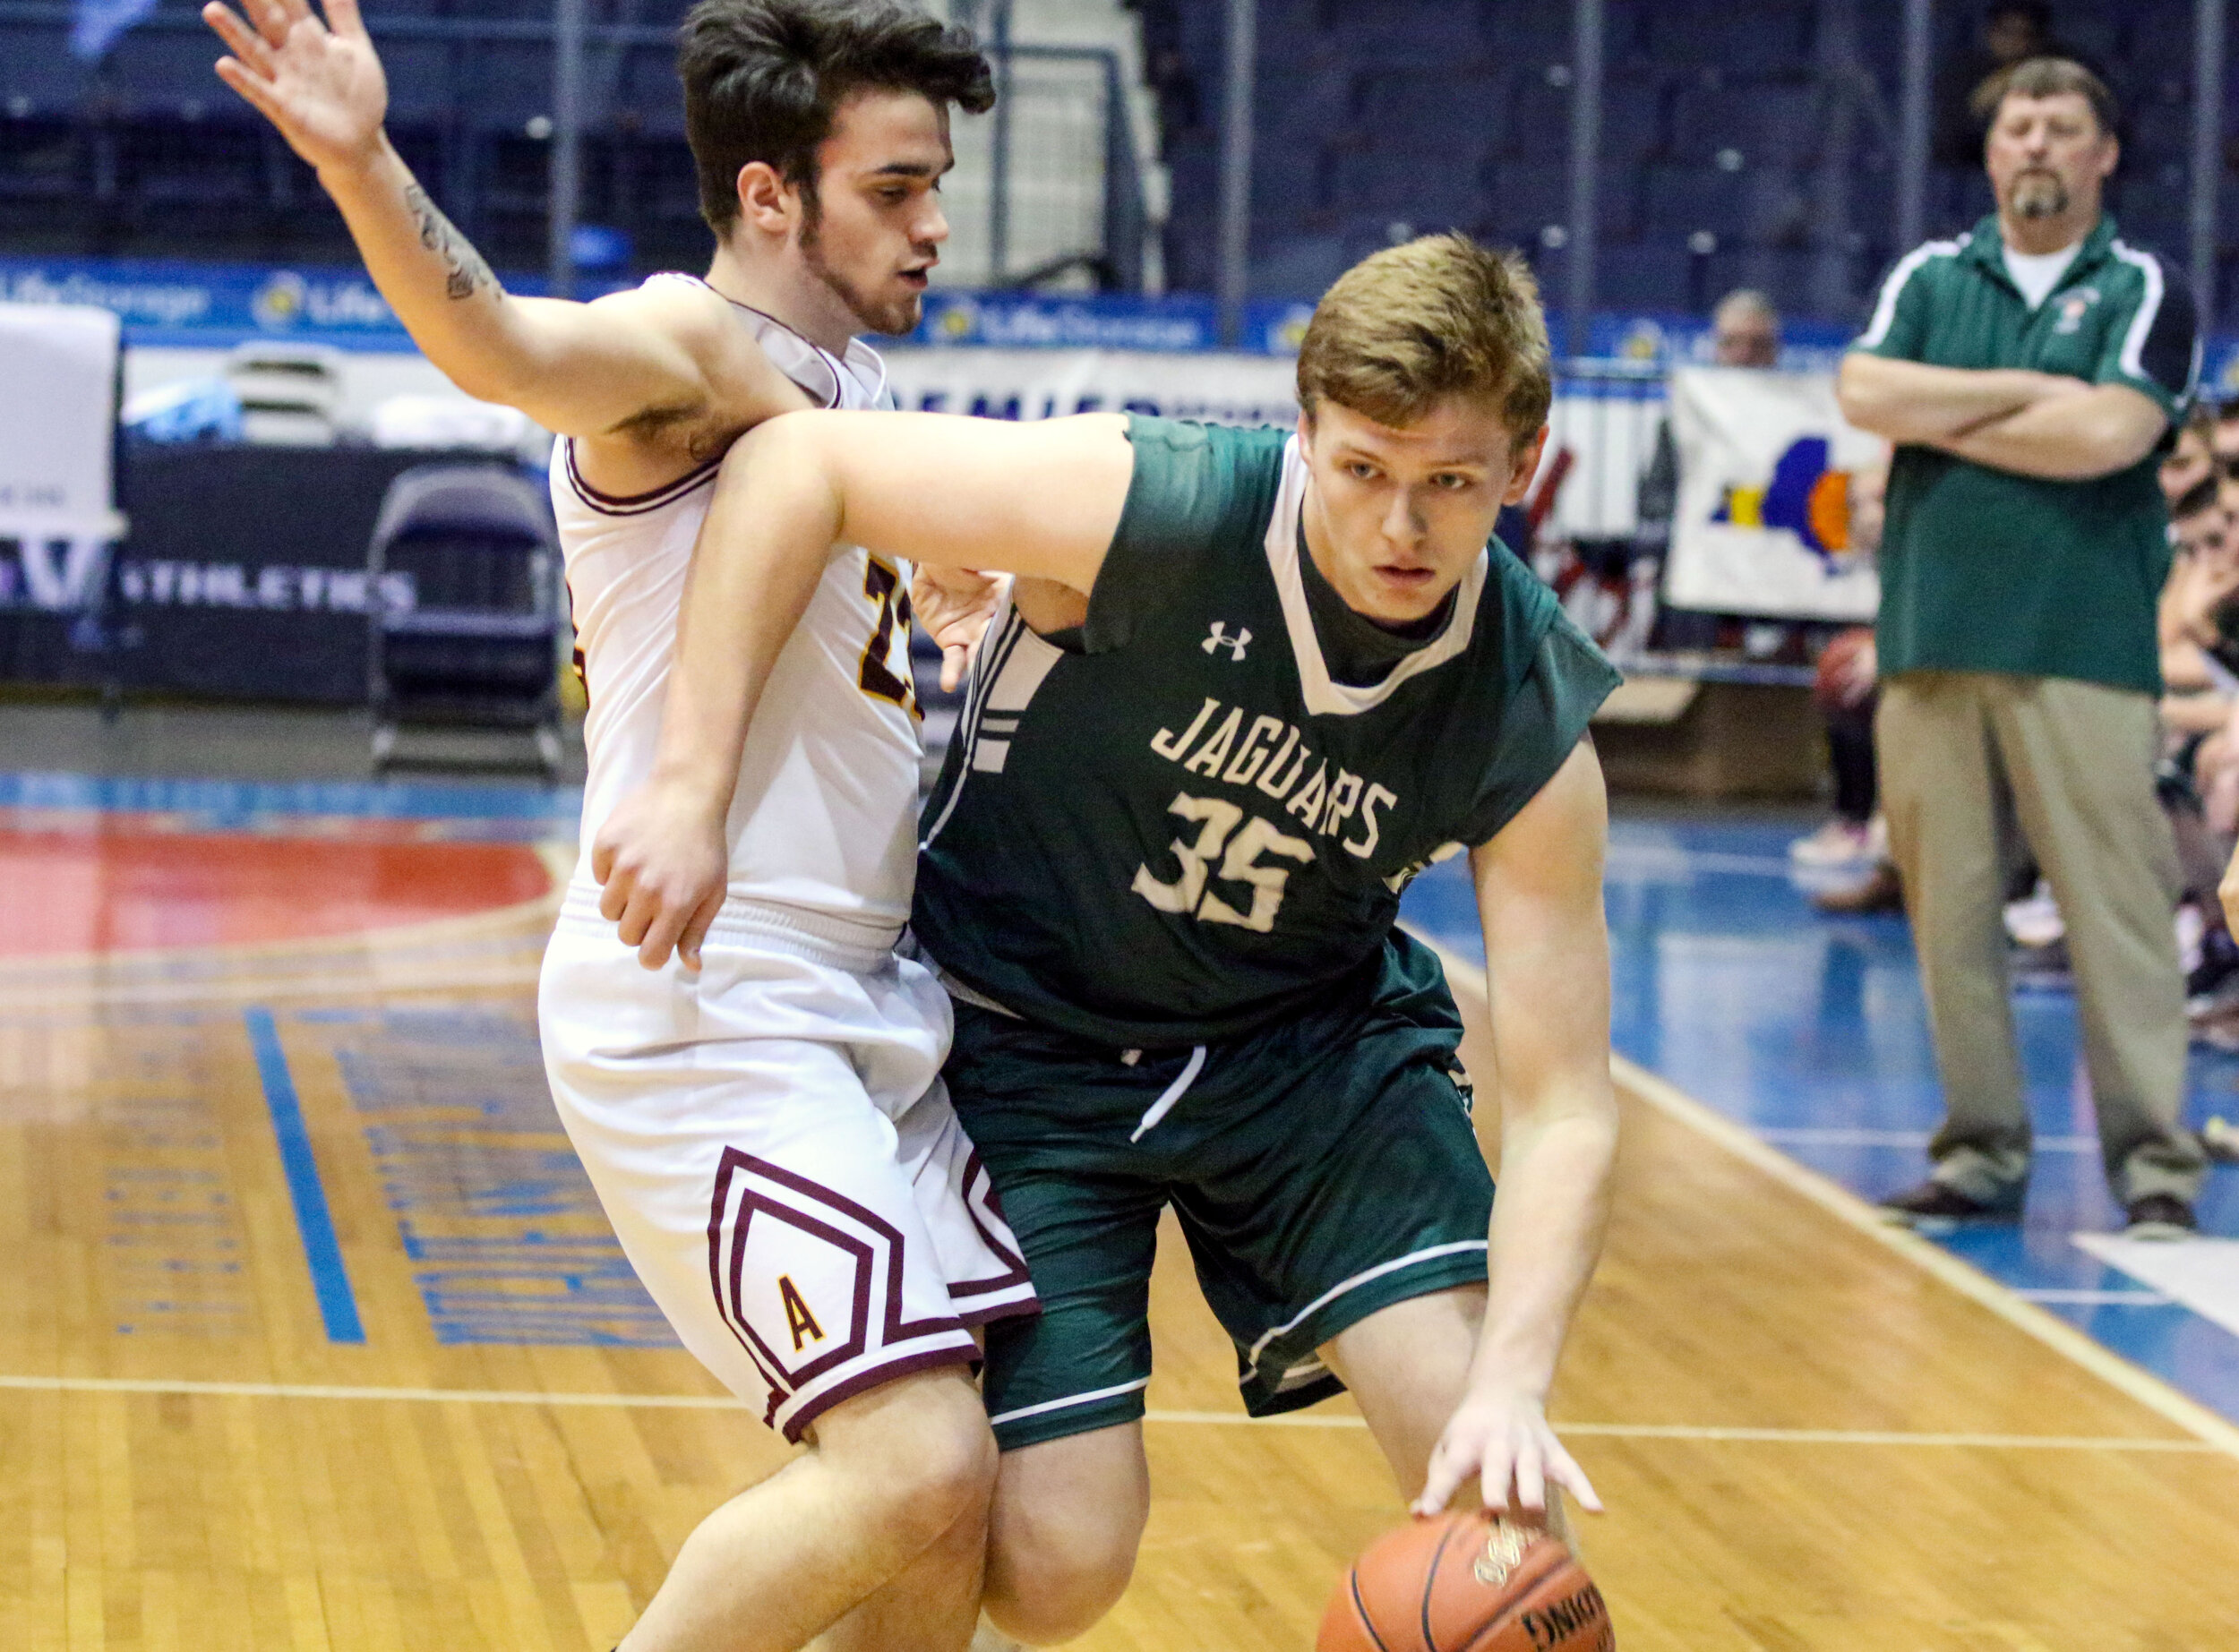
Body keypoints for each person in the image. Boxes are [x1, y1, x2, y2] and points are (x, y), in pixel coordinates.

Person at [595, 235, 1623, 1645]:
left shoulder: (1524, 709)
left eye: (1451, 483)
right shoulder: (1162, 501)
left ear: (1522, 464)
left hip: (1305, 1053)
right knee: (1055, 1562)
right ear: (1304, 434)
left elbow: (1568, 1102)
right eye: (1366, 470)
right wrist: (691, 786)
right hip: (1030, 1034)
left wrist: (1517, 1376)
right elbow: (795, 466)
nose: (1402, 527)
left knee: (1496, 1504)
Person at [200, 2, 1038, 1648]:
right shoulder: (684, 346)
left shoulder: (844, 385)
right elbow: (504, 348)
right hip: (707, 994)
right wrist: (364, 161)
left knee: (945, 1513)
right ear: (772, 195)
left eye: (938, 182)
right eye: (898, 186)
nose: (936, 222)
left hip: (861, 996)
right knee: (912, 1463)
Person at [1838, 56, 2210, 1240]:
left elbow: (2113, 432)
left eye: (2061, 127)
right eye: (2016, 127)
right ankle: (1981, 1152)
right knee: (1948, 918)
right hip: (1931, 641)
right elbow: (1862, 388)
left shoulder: (2146, 285)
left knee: (2120, 917)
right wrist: (2024, 393)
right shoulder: (1932, 275)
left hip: (2084, 647)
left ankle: (2156, 1168)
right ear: (1991, 155)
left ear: (2105, 154)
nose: (2035, 144)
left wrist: (1944, 409)